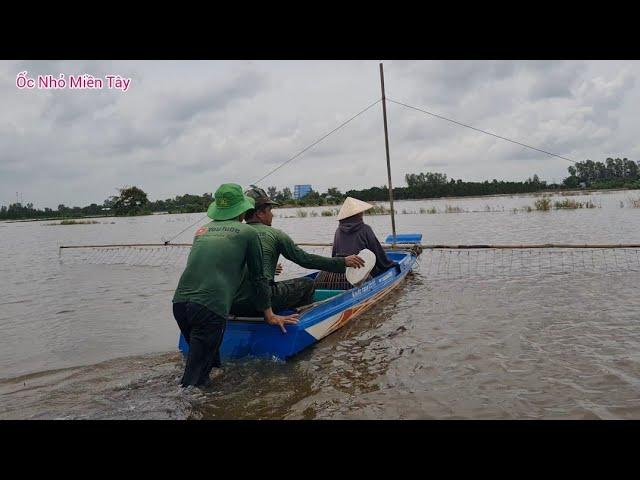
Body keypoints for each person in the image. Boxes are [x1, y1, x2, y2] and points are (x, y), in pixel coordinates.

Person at [172, 183, 298, 388]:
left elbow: (216, 268)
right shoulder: (248, 233)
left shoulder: (202, 231)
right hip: (209, 308)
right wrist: (270, 315)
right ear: (242, 209)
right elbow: (258, 279)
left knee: (211, 365)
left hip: (180, 305)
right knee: (194, 382)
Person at [230, 186, 365, 317]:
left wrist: (270, 267)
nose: (272, 214)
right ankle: (299, 318)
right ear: (259, 213)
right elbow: (305, 259)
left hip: (232, 303)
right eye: (270, 210)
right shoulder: (276, 234)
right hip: (259, 302)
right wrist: (343, 261)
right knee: (307, 284)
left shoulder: (234, 234)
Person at [331, 197, 398, 277]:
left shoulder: (338, 231)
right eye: (360, 212)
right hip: (362, 272)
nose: (362, 213)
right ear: (357, 214)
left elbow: (334, 255)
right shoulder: (365, 229)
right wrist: (391, 264)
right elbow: (377, 252)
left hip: (342, 273)